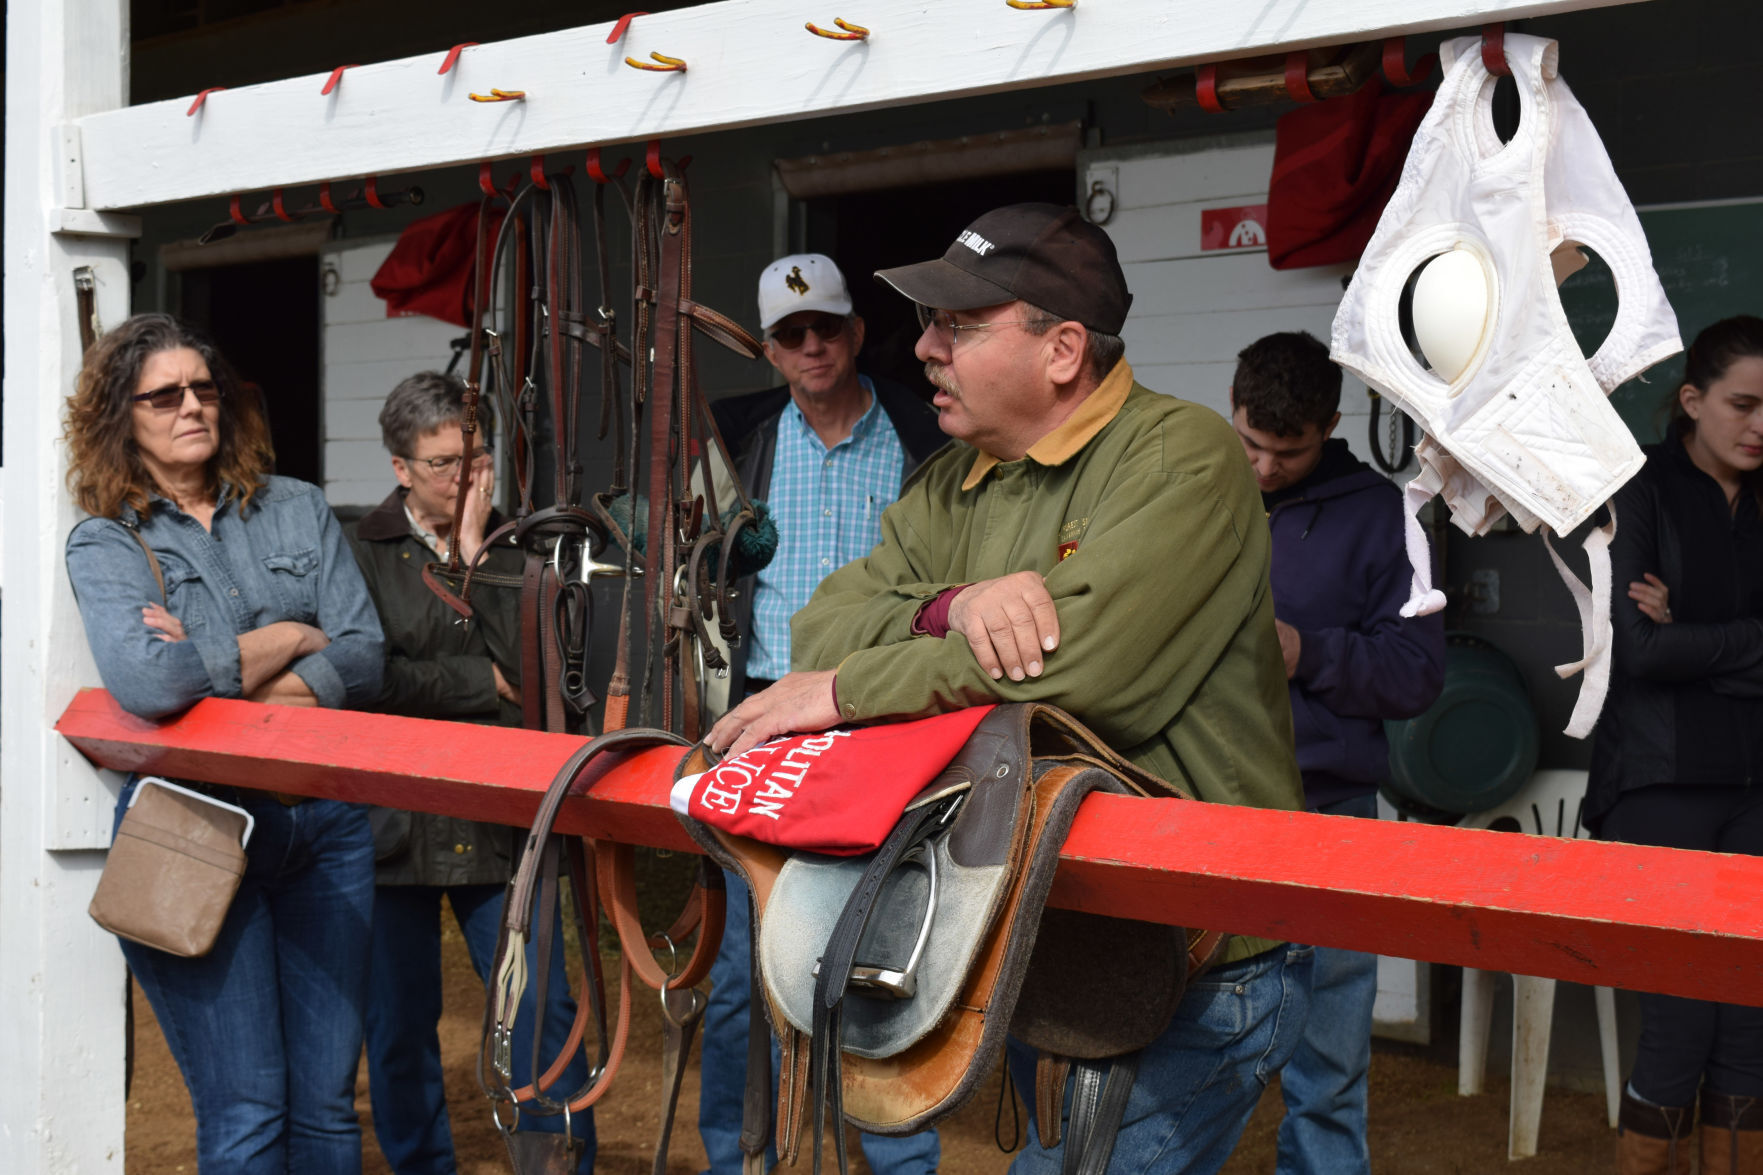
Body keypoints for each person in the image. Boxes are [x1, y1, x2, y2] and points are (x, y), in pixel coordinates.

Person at [707, 204, 1312, 1175]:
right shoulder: (957, 481)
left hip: (1196, 951)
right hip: (1035, 923)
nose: (926, 346)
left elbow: (1085, 676)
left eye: (961, 324)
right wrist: (953, 604)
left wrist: (854, 688)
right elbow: (818, 620)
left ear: (1062, 348)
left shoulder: (1182, 456)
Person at [63, 313, 385, 1173]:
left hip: (324, 825)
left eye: (204, 389)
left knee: (324, 1109)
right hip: (193, 828)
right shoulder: (109, 541)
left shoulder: (298, 507)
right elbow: (150, 683)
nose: (191, 406)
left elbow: (363, 652)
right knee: (245, 1113)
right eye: (163, 395)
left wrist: (218, 671)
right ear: (120, 418)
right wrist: (288, 635)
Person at [698, 253, 946, 1175]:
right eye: (791, 334)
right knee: (743, 976)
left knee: (881, 959)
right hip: (765, 726)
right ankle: (739, 1158)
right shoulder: (732, 441)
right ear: (768, 349)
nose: (812, 345)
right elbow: (697, 583)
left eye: (827, 328)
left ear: (856, 332)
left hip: (887, 726)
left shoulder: (926, 434)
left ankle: (894, 1160)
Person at [345, 372, 595, 1172]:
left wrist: (471, 555)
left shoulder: (518, 551)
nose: (466, 476)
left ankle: (556, 1164)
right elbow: (366, 677)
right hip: (393, 825)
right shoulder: (357, 549)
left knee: (542, 1018)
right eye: (444, 462)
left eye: (475, 454)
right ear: (400, 467)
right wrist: (473, 683)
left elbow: (534, 679)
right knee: (399, 1027)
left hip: (500, 820)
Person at [1228, 331, 1445, 1175]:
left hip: (1329, 811)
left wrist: (1306, 652)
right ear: (1232, 407)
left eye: (1288, 451)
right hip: (1202, 802)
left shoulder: (1385, 513)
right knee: (1183, 1042)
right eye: (1250, 443)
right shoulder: (1194, 489)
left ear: (1330, 425)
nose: (1265, 468)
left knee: (1328, 1059)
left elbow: (1416, 675)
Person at [1590, 315, 1763, 1175]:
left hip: (1754, 785)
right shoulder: (1639, 489)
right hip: (1655, 785)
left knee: (1751, 1017)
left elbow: (1671, 646)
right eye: (1743, 403)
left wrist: (1695, 632)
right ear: (1692, 400)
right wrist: (1742, 643)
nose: (1760, 424)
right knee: (1682, 1017)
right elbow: (1639, 651)